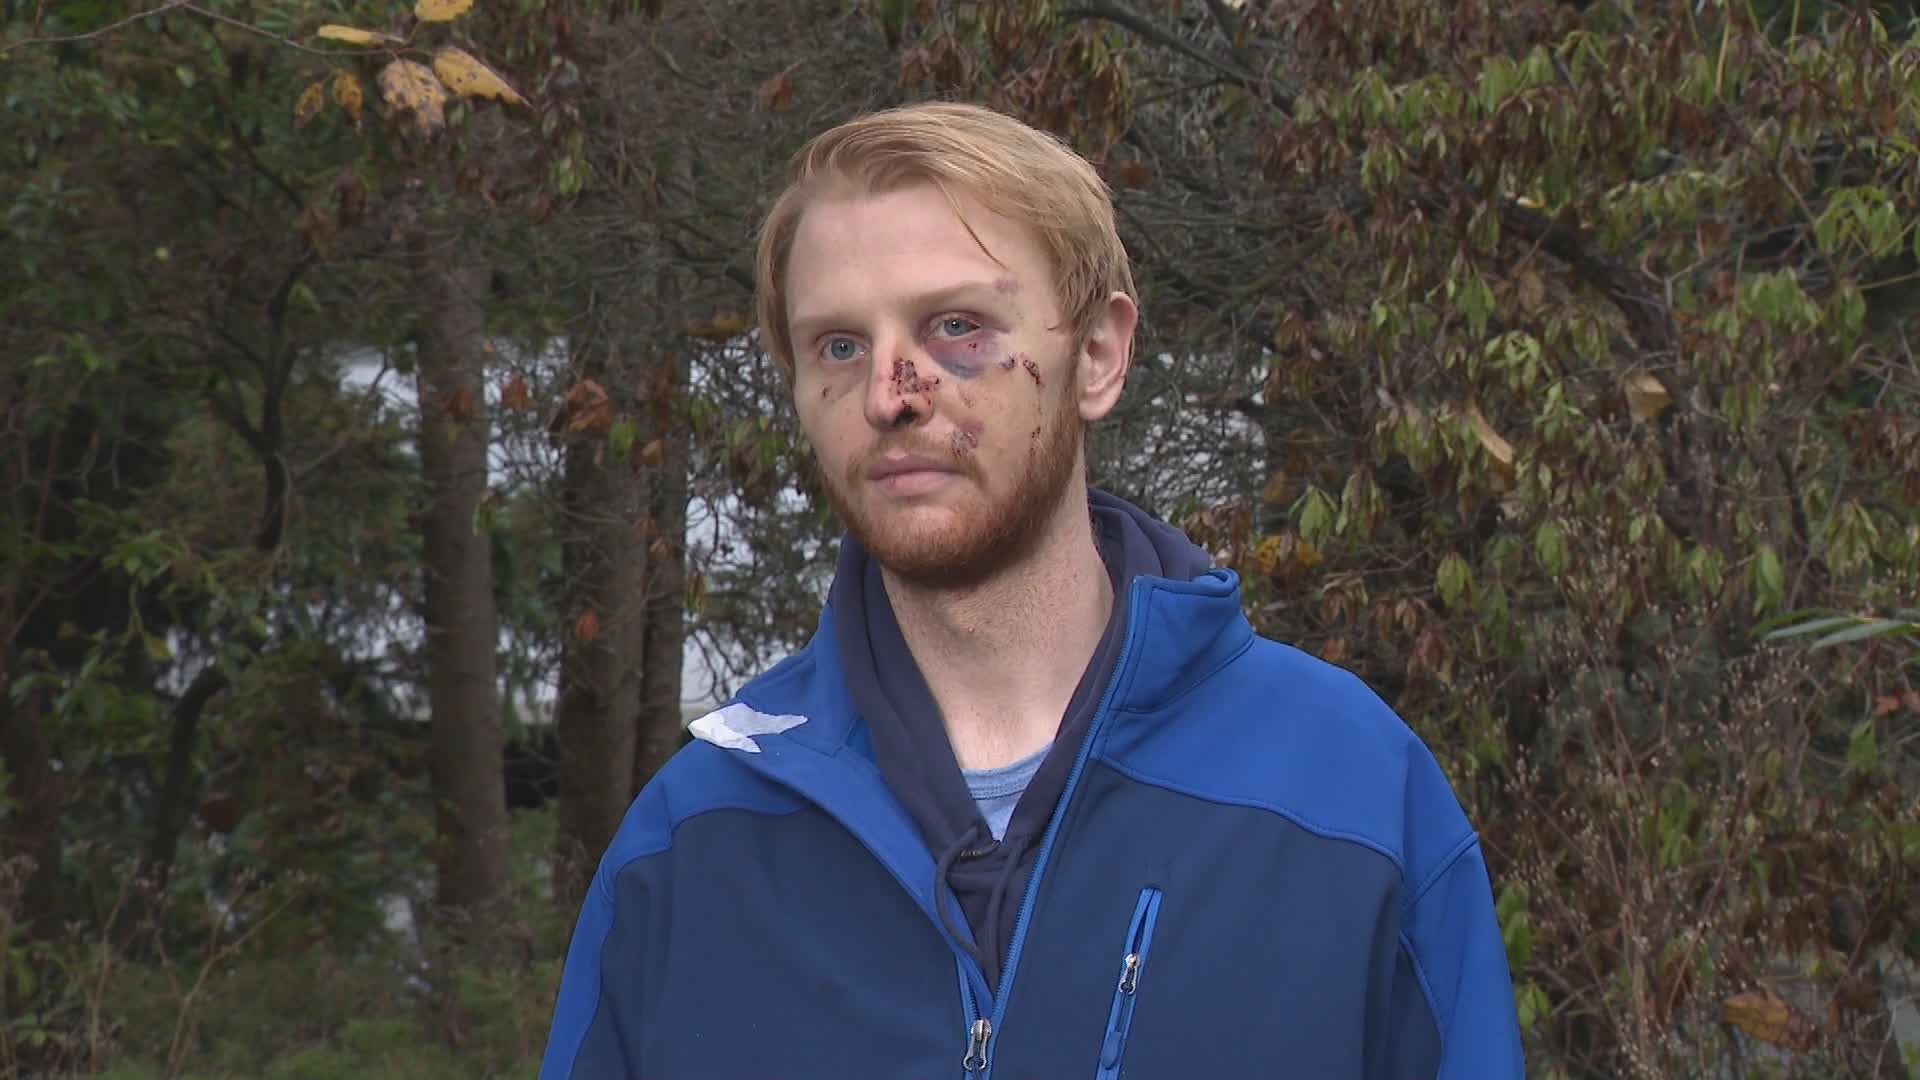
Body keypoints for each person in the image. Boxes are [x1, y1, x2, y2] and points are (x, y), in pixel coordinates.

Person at [537, 101, 1526, 1080]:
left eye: (957, 327)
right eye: (838, 345)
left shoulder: (1345, 791)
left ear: (1097, 355)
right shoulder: (694, 845)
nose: (890, 394)